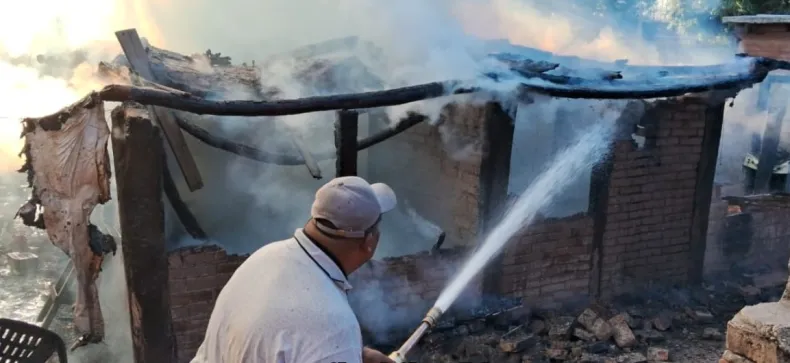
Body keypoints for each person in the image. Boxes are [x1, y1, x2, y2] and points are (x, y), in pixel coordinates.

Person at [191, 176, 398, 363]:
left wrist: (352, 356)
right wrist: (340, 351)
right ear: (368, 242)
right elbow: (316, 333)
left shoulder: (264, 257)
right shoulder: (332, 325)